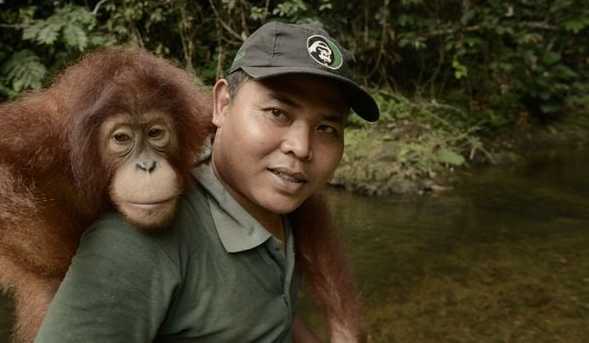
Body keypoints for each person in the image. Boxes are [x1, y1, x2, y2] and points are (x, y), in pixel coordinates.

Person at [34, 21, 380, 342]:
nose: (302, 148)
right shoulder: (137, 242)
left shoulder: (281, 204)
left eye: (327, 128)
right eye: (277, 113)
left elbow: (271, 308)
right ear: (222, 104)